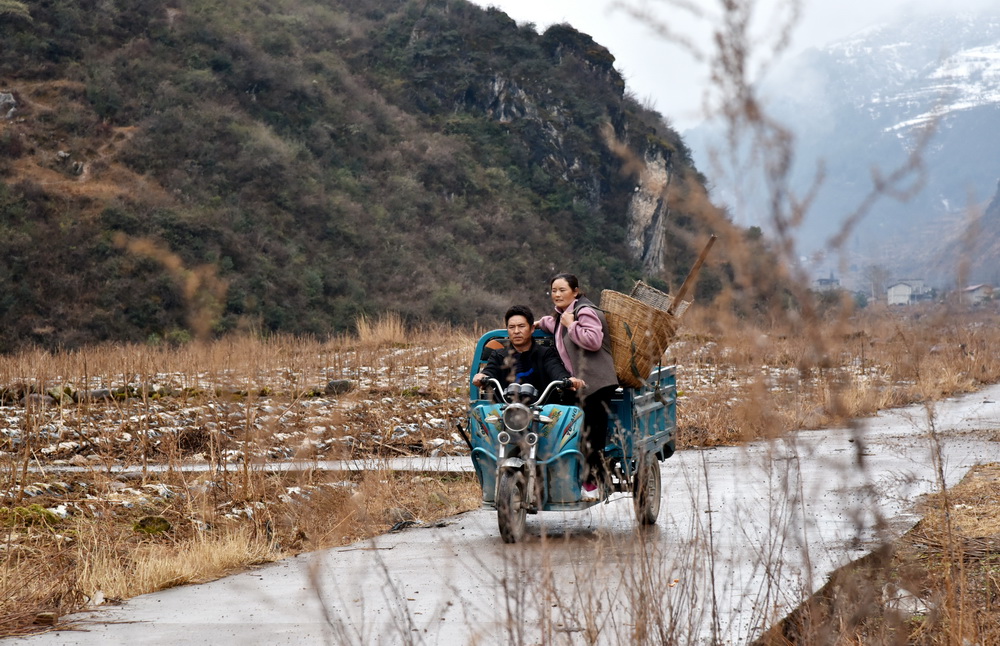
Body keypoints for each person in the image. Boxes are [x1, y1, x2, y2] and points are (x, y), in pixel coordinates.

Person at [536, 273, 618, 500]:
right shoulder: (564, 314)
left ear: (575, 291)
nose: (557, 294)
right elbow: (555, 324)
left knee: (590, 437)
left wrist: (572, 325)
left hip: (597, 384)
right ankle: (577, 480)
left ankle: (595, 485)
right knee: (571, 433)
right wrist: (539, 323)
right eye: (554, 290)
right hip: (579, 386)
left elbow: (593, 340)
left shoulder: (585, 311)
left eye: (562, 290)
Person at [472, 305, 584, 397]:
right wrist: (482, 376)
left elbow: (556, 370)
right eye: (511, 327)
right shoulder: (499, 355)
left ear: (532, 329)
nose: (516, 331)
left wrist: (568, 380)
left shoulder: (546, 353)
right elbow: (490, 370)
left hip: (542, 412)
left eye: (521, 326)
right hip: (505, 412)